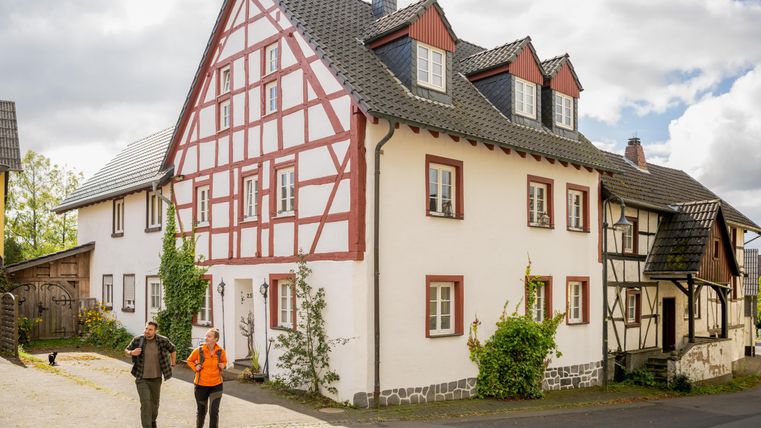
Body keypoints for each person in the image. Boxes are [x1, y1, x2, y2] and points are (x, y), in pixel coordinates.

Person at [125, 321, 177, 428]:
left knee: (154, 405)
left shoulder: (162, 340)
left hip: (156, 379)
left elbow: (173, 349)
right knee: (146, 404)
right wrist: (131, 352)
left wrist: (173, 364)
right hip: (141, 378)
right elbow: (126, 350)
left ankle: (153, 421)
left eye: (150, 329)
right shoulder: (138, 340)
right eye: (146, 329)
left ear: (155, 331)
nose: (147, 331)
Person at [187, 328, 227, 428]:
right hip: (201, 386)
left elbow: (224, 362)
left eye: (209, 336)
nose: (206, 338)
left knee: (214, 412)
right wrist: (195, 367)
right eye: (206, 336)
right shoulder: (199, 350)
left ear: (216, 339)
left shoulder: (220, 351)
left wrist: (223, 365)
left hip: (216, 385)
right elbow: (189, 360)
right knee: (201, 411)